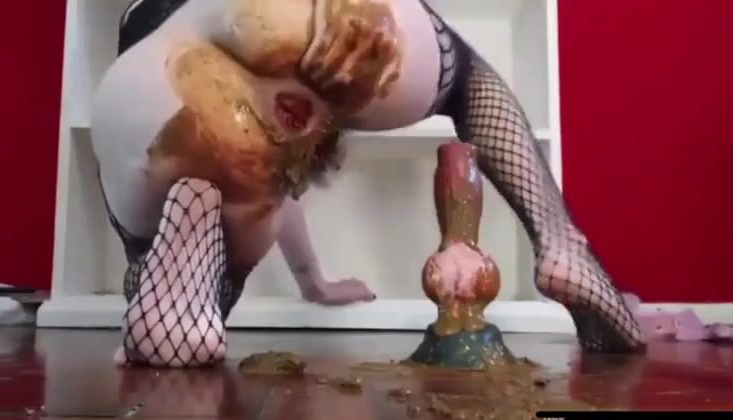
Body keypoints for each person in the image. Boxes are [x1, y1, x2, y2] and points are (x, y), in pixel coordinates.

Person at [95, 0, 644, 367]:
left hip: (175, 75)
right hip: (332, 17)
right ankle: (561, 243)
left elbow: (269, 181)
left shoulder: (143, 20)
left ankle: (180, 292)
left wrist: (311, 281)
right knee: (466, 80)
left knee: (205, 192)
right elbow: (284, 179)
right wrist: (313, 279)